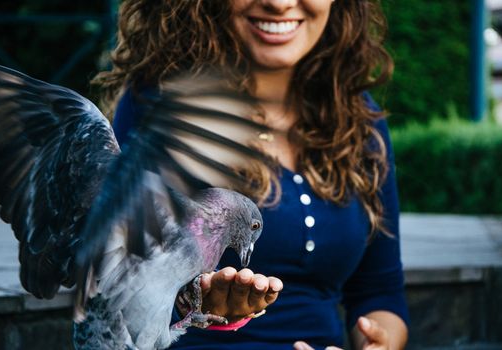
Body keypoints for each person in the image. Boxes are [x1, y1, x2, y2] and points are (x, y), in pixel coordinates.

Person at [95, 0, 410, 349]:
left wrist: (378, 344)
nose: (279, 4)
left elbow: (380, 292)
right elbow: (114, 295)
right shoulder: (160, 109)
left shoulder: (357, 117)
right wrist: (190, 306)